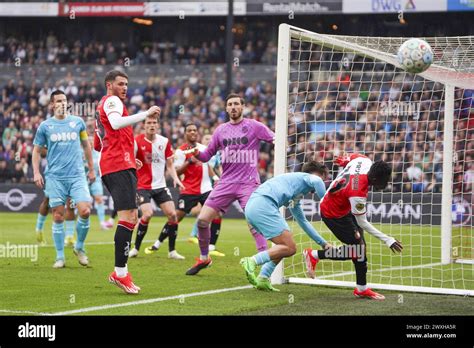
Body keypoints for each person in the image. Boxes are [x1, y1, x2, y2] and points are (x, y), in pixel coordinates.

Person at [185, 93, 274, 275]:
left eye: (236, 104)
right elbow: (207, 156)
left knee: (253, 222)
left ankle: (264, 264)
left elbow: (274, 139)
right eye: (230, 104)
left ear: (242, 107)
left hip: (248, 183)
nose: (233, 107)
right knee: (202, 221)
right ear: (226, 109)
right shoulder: (220, 130)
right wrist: (195, 153)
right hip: (225, 182)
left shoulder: (254, 126)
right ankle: (204, 259)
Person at [94, 69, 160, 294]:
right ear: (109, 85)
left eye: (126, 84)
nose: (124, 88)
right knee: (128, 216)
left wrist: (132, 157)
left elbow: (99, 142)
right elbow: (114, 124)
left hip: (120, 163)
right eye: (120, 83)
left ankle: (121, 272)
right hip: (116, 165)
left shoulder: (105, 105)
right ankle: (120, 273)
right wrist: (146, 114)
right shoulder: (111, 102)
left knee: (131, 216)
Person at [304, 154, 403, 300]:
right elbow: (362, 222)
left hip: (343, 206)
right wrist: (387, 239)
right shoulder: (358, 192)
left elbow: (357, 156)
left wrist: (346, 160)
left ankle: (361, 289)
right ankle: (314, 255)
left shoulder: (364, 161)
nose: (386, 183)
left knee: (360, 248)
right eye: (384, 181)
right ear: (375, 179)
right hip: (333, 214)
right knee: (357, 250)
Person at [240, 161, 332, 291]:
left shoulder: (295, 195)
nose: (323, 182)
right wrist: (326, 202)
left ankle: (263, 278)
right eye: (324, 177)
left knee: (284, 246)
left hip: (254, 207)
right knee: (290, 248)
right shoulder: (305, 177)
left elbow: (303, 222)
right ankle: (252, 261)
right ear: (318, 174)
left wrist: (322, 243)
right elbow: (317, 181)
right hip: (264, 204)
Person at [32, 90, 94, 268]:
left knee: (85, 211)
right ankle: (60, 257)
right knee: (58, 216)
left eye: (64, 100)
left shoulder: (78, 122)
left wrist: (91, 169)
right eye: (58, 101)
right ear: (52, 104)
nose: (62, 104)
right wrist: (36, 172)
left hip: (77, 175)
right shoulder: (45, 126)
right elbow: (36, 150)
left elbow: (86, 145)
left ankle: (79, 247)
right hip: (55, 177)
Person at [128, 115, 185, 260]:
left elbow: (170, 165)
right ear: (144, 125)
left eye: (154, 123)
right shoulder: (136, 141)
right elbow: (129, 159)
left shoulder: (164, 141)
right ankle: (135, 248)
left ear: (158, 126)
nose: (152, 125)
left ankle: (172, 251)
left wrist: (176, 179)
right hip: (142, 186)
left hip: (160, 185)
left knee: (173, 215)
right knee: (147, 214)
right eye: (149, 123)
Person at [174, 123, 225, 257]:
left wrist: (215, 177)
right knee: (175, 217)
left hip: (206, 189)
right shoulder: (180, 151)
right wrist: (189, 162)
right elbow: (177, 171)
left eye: (195, 130)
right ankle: (162, 244)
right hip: (189, 189)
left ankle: (211, 247)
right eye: (189, 130)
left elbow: (208, 166)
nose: (193, 132)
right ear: (185, 133)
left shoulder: (203, 149)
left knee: (217, 214)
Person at [85, 135, 110, 230]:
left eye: (91, 141)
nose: (90, 143)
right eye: (88, 141)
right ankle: (84, 222)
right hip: (83, 180)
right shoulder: (81, 153)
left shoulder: (97, 153)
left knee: (99, 199)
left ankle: (102, 222)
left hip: (96, 180)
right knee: (85, 203)